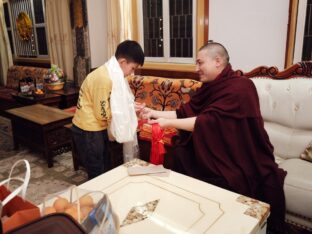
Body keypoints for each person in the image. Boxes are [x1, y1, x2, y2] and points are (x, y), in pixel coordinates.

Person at [139, 42, 286, 233]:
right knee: (181, 153)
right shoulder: (209, 87)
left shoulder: (241, 87)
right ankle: (188, 213)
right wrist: (153, 112)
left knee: (229, 177)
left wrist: (166, 124)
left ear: (217, 61)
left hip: (239, 152)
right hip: (215, 144)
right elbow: (184, 113)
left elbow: (209, 122)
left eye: (200, 63)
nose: (196, 68)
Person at [71, 40, 145, 179]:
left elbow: (112, 103)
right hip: (88, 130)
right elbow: (102, 113)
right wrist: (128, 111)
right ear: (123, 62)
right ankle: (98, 198)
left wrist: (130, 107)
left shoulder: (110, 72)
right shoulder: (104, 78)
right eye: (133, 68)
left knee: (104, 166)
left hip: (95, 128)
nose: (132, 73)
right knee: (97, 171)